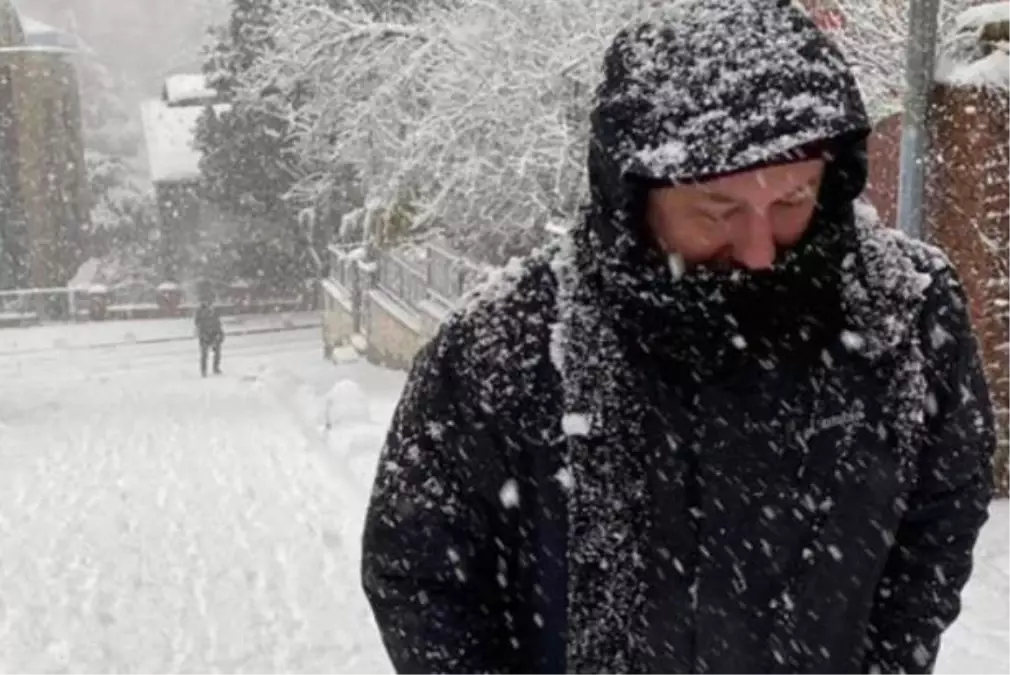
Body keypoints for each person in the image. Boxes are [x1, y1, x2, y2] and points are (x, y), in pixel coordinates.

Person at [360, 2, 997, 675]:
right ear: (632, 199)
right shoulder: (504, 345)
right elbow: (421, 572)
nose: (758, 250)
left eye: (791, 201)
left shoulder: (907, 315)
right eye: (717, 212)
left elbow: (941, 518)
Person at [194, 298, 223, 376]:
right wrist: (202, 333)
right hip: (204, 334)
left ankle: (216, 368)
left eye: (209, 301)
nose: (208, 303)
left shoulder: (214, 310)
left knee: (217, 352)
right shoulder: (199, 311)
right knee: (204, 354)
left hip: (214, 333)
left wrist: (220, 333)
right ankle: (203, 370)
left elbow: (218, 322)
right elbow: (197, 323)